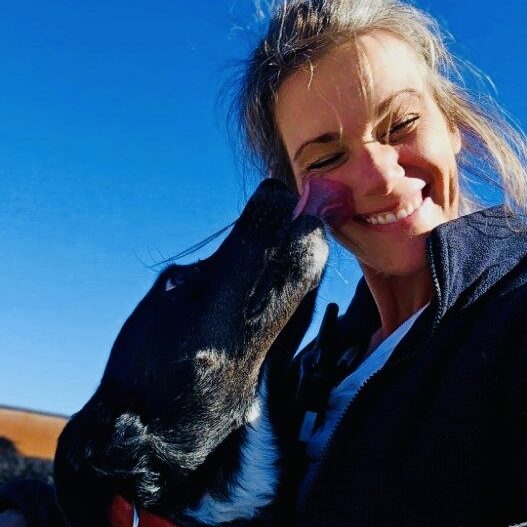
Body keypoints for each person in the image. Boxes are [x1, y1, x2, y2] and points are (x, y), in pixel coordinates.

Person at [1, 0, 526, 525]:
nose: (381, 177)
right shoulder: (310, 371)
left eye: (401, 123)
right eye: (325, 157)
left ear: (452, 125)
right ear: (296, 190)